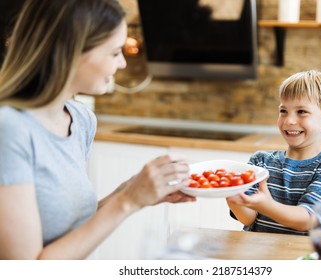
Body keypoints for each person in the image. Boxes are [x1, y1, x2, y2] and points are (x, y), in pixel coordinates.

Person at [0, 0, 195, 260]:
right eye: (115, 53)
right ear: (70, 52)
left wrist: (131, 190)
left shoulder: (80, 120)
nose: (123, 64)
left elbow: (73, 226)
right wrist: (129, 201)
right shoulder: (10, 130)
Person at [226, 70, 321, 235]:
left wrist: (266, 205)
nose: (289, 120)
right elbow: (249, 219)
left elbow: (309, 219)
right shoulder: (261, 161)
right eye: (283, 111)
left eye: (301, 112)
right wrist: (233, 195)